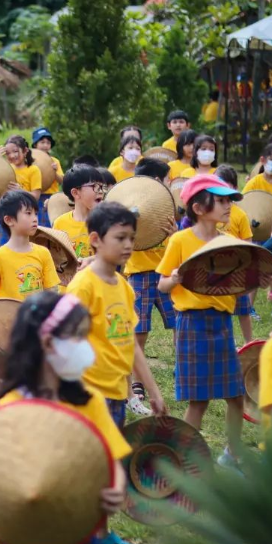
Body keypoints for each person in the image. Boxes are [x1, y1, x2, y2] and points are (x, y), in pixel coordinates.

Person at [0, 292, 131, 544]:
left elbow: (112, 458)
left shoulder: (89, 400)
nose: (86, 346)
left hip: (78, 523)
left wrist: (116, 487)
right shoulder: (9, 408)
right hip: (29, 527)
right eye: (77, 337)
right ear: (48, 343)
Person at [156, 174, 246, 473]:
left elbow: (238, 283)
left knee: (236, 397)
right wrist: (175, 278)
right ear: (198, 208)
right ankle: (179, 461)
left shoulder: (228, 243)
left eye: (229, 201)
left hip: (222, 324)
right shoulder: (180, 240)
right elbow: (162, 285)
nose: (228, 206)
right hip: (192, 324)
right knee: (199, 402)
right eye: (220, 201)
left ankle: (232, 456)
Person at [67, 202, 166, 432]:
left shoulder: (124, 287)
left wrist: (154, 391)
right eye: (120, 238)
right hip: (89, 394)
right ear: (95, 239)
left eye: (131, 238)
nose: (128, 245)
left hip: (117, 392)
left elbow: (131, 343)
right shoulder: (82, 287)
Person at [124, 158, 178, 415]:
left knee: (179, 323)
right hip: (139, 275)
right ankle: (137, 383)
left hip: (167, 272)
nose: (169, 183)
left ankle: (182, 371)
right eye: (166, 179)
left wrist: (174, 234)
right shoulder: (129, 204)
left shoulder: (167, 205)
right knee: (139, 331)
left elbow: (177, 240)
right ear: (156, 180)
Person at [0, 190, 60, 320]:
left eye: (36, 213)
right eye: (28, 213)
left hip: (36, 321)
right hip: (7, 321)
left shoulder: (43, 253)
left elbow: (49, 290)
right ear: (9, 220)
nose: (35, 218)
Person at [215, 164, 257, 337]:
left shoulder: (240, 215)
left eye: (225, 185)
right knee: (218, 309)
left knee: (243, 310)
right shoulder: (210, 214)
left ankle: (249, 342)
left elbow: (248, 244)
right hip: (214, 269)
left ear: (234, 188)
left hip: (236, 270)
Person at [53, 165, 105, 260]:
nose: (100, 191)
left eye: (101, 187)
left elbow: (113, 254)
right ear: (76, 193)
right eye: (94, 186)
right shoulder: (60, 223)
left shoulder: (107, 221)